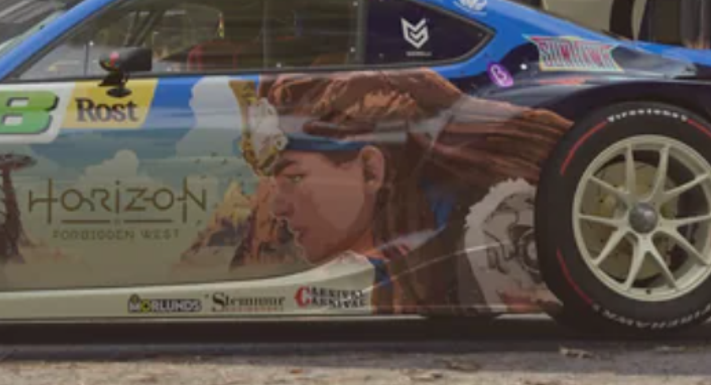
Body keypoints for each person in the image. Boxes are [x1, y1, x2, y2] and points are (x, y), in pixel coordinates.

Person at [230, 70, 572, 312]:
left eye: (293, 178)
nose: (277, 207)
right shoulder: (399, 262)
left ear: (371, 169)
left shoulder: (489, 239)